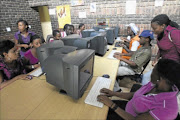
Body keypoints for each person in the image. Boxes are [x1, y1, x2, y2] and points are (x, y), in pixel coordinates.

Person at [97, 59, 180, 120]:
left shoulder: (167, 109)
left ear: (161, 79)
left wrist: (111, 105)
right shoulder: (155, 84)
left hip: (128, 117)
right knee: (98, 105)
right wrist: (113, 93)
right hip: (127, 107)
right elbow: (134, 94)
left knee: (97, 115)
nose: (151, 74)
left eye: (153, 71)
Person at [142, 14, 180, 85]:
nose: (153, 31)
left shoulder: (174, 33)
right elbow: (162, 48)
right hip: (164, 63)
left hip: (174, 66)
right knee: (147, 77)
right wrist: (156, 58)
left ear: (163, 25)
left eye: (155, 28)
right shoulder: (160, 34)